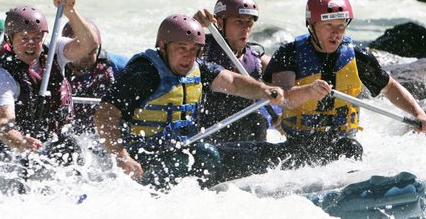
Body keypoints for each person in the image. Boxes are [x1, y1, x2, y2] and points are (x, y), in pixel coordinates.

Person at [94, 14, 284, 190]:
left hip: (182, 149)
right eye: (181, 48)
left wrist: (263, 90)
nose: (188, 56)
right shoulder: (143, 72)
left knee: (246, 153)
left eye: (194, 50)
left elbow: (233, 81)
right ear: (163, 45)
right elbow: (105, 113)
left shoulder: (199, 68)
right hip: (142, 157)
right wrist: (121, 156)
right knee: (197, 158)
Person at [264, 0, 426, 165]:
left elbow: (390, 87)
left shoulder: (357, 56)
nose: (336, 33)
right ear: (311, 24)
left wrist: (419, 113)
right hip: (298, 143)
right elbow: (282, 97)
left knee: (352, 149)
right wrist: (308, 91)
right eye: (329, 26)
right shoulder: (290, 54)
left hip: (342, 142)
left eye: (341, 26)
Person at [0, 0, 100, 166]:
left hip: (55, 138)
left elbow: (89, 43)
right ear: (10, 39)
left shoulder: (54, 50)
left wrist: (71, 12)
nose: (31, 44)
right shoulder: (1, 75)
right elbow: (4, 123)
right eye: (24, 38)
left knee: (72, 146)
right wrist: (20, 142)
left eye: (36, 38)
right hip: (16, 145)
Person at [193, 0, 273, 143]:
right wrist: (193, 23)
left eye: (249, 22)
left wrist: (286, 116)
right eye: (239, 22)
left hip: (246, 137)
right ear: (220, 23)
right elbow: (173, 51)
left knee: (259, 120)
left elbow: (287, 87)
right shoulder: (202, 49)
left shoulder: (258, 59)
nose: (245, 28)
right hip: (209, 135)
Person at [62, 20, 127, 134]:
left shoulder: (114, 65)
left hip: (100, 133)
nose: (87, 56)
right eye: (81, 51)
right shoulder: (52, 66)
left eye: (92, 50)